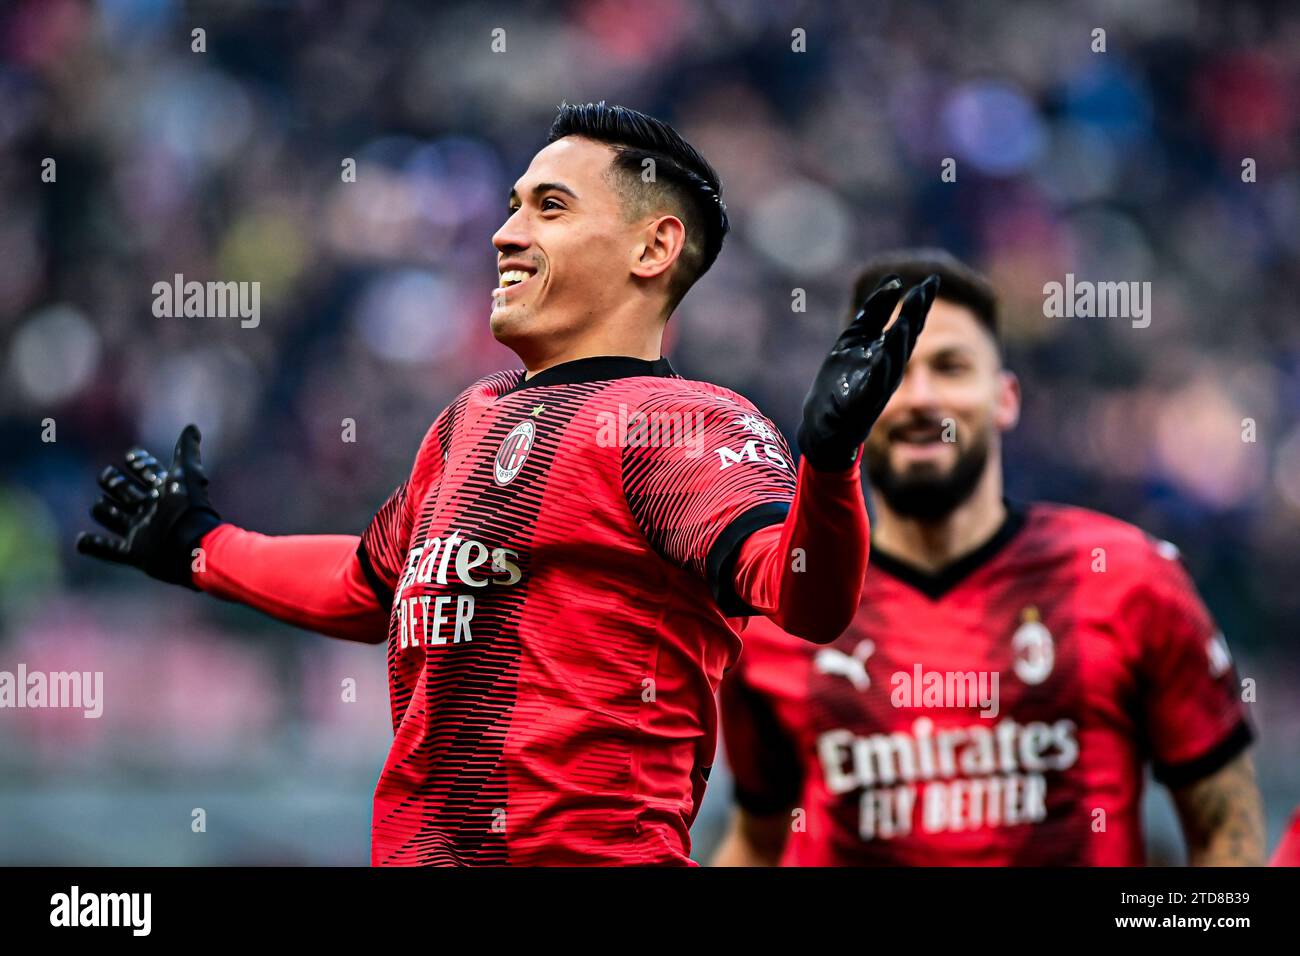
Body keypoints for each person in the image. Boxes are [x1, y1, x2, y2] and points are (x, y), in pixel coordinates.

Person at [75, 103, 937, 866]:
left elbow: (805, 598)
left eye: (550, 208)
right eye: (514, 204)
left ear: (653, 246)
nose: (505, 232)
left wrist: (828, 468)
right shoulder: (467, 420)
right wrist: (200, 547)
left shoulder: (677, 422)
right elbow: (369, 585)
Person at [714, 249, 1265, 866]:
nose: (919, 398)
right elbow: (759, 845)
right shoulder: (785, 609)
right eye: (892, 372)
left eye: (950, 367)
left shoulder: (1131, 578)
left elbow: (1227, 837)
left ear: (1005, 398)